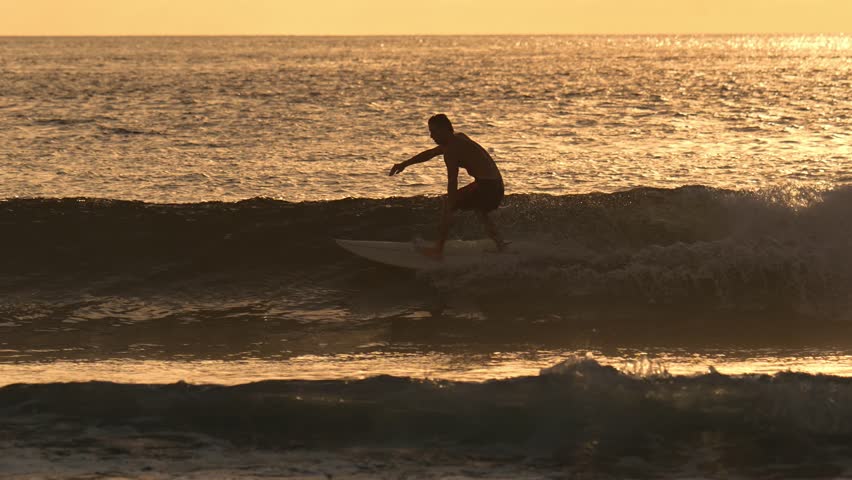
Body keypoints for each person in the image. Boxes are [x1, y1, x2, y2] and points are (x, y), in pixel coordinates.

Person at [389, 114, 506, 258]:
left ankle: (438, 250)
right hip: (496, 184)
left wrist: (451, 203)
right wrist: (404, 164)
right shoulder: (458, 137)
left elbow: (452, 180)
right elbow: (430, 153)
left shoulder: (451, 150)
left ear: (444, 129)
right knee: (480, 210)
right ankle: (500, 245)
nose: (431, 136)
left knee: (448, 203)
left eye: (434, 131)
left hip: (488, 187)